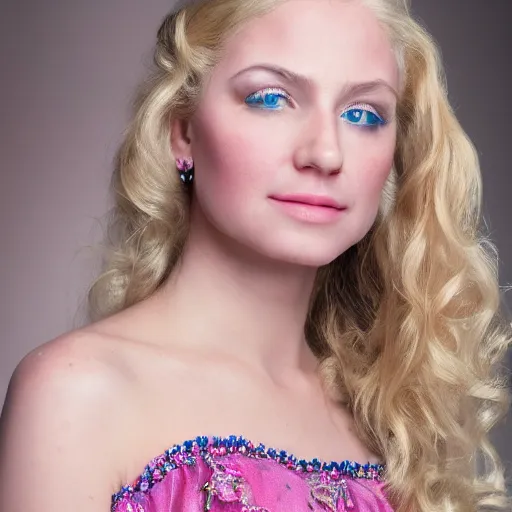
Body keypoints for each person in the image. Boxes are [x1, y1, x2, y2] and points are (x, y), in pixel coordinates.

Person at [0, 0, 510, 510]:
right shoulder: (77, 394)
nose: (326, 153)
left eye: (362, 113)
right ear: (183, 133)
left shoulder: (390, 421)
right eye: (270, 98)